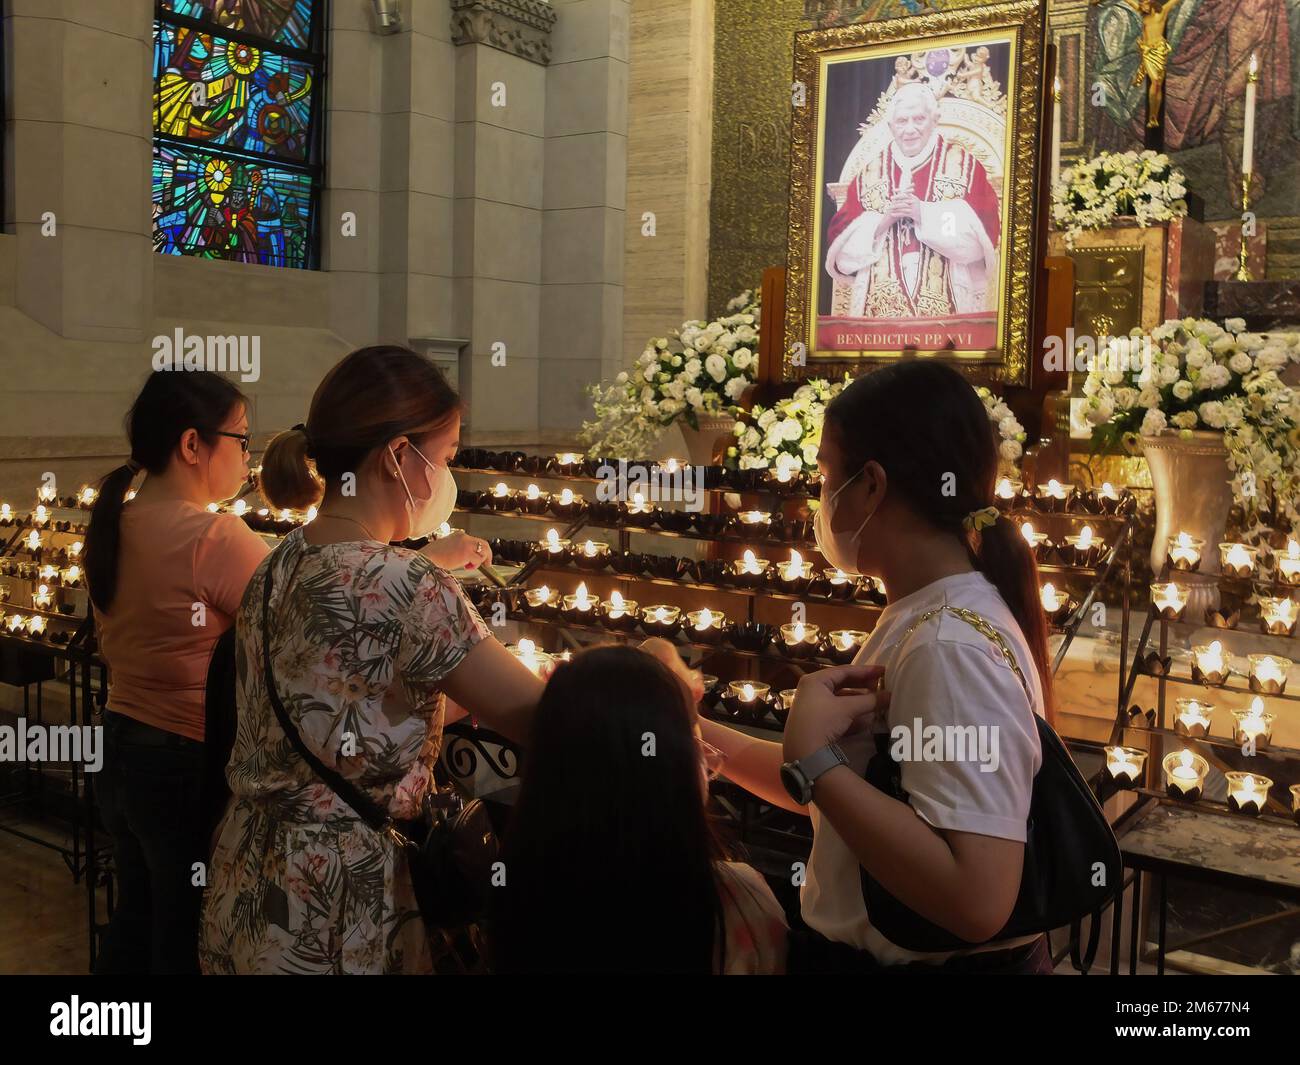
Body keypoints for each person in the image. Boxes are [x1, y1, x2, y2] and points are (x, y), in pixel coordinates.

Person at [698, 359, 1054, 974]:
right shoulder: (923, 612)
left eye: (823, 475)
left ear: (870, 485)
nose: (818, 497)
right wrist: (695, 731)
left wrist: (816, 763)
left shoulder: (950, 649)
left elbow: (979, 899)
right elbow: (863, 801)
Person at [199, 346, 544, 975]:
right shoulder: (411, 584)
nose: (446, 475)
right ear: (396, 455)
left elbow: (338, 703)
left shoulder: (275, 563)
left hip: (247, 883)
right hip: (344, 902)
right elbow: (542, 720)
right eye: (443, 457)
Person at [87, 370, 269, 974]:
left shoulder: (115, 522)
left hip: (118, 747)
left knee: (137, 916)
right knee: (186, 932)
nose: (249, 455)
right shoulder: (214, 535)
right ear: (193, 445)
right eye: (241, 439)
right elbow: (307, 622)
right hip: (184, 762)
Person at [489, 644, 787, 974]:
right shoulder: (739, 904)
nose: (708, 764)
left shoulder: (515, 892)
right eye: (698, 746)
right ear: (678, 770)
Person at [825, 81, 1001, 320]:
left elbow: (980, 245)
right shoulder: (868, 174)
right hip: (878, 320)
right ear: (890, 125)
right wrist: (881, 223)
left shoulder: (965, 167)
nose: (910, 129)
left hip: (947, 320)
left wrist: (924, 214)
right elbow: (842, 255)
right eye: (901, 121)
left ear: (934, 120)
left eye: (918, 119)